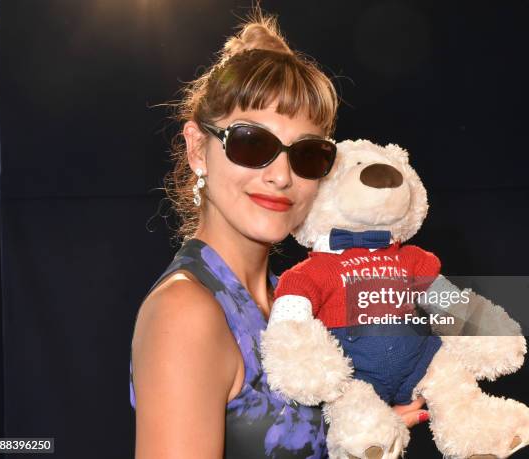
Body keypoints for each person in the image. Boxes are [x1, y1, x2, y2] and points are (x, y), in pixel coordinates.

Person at [129, 7, 428, 458]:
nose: (281, 176)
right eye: (253, 143)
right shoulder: (187, 313)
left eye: (307, 155)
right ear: (197, 149)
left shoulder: (288, 301)